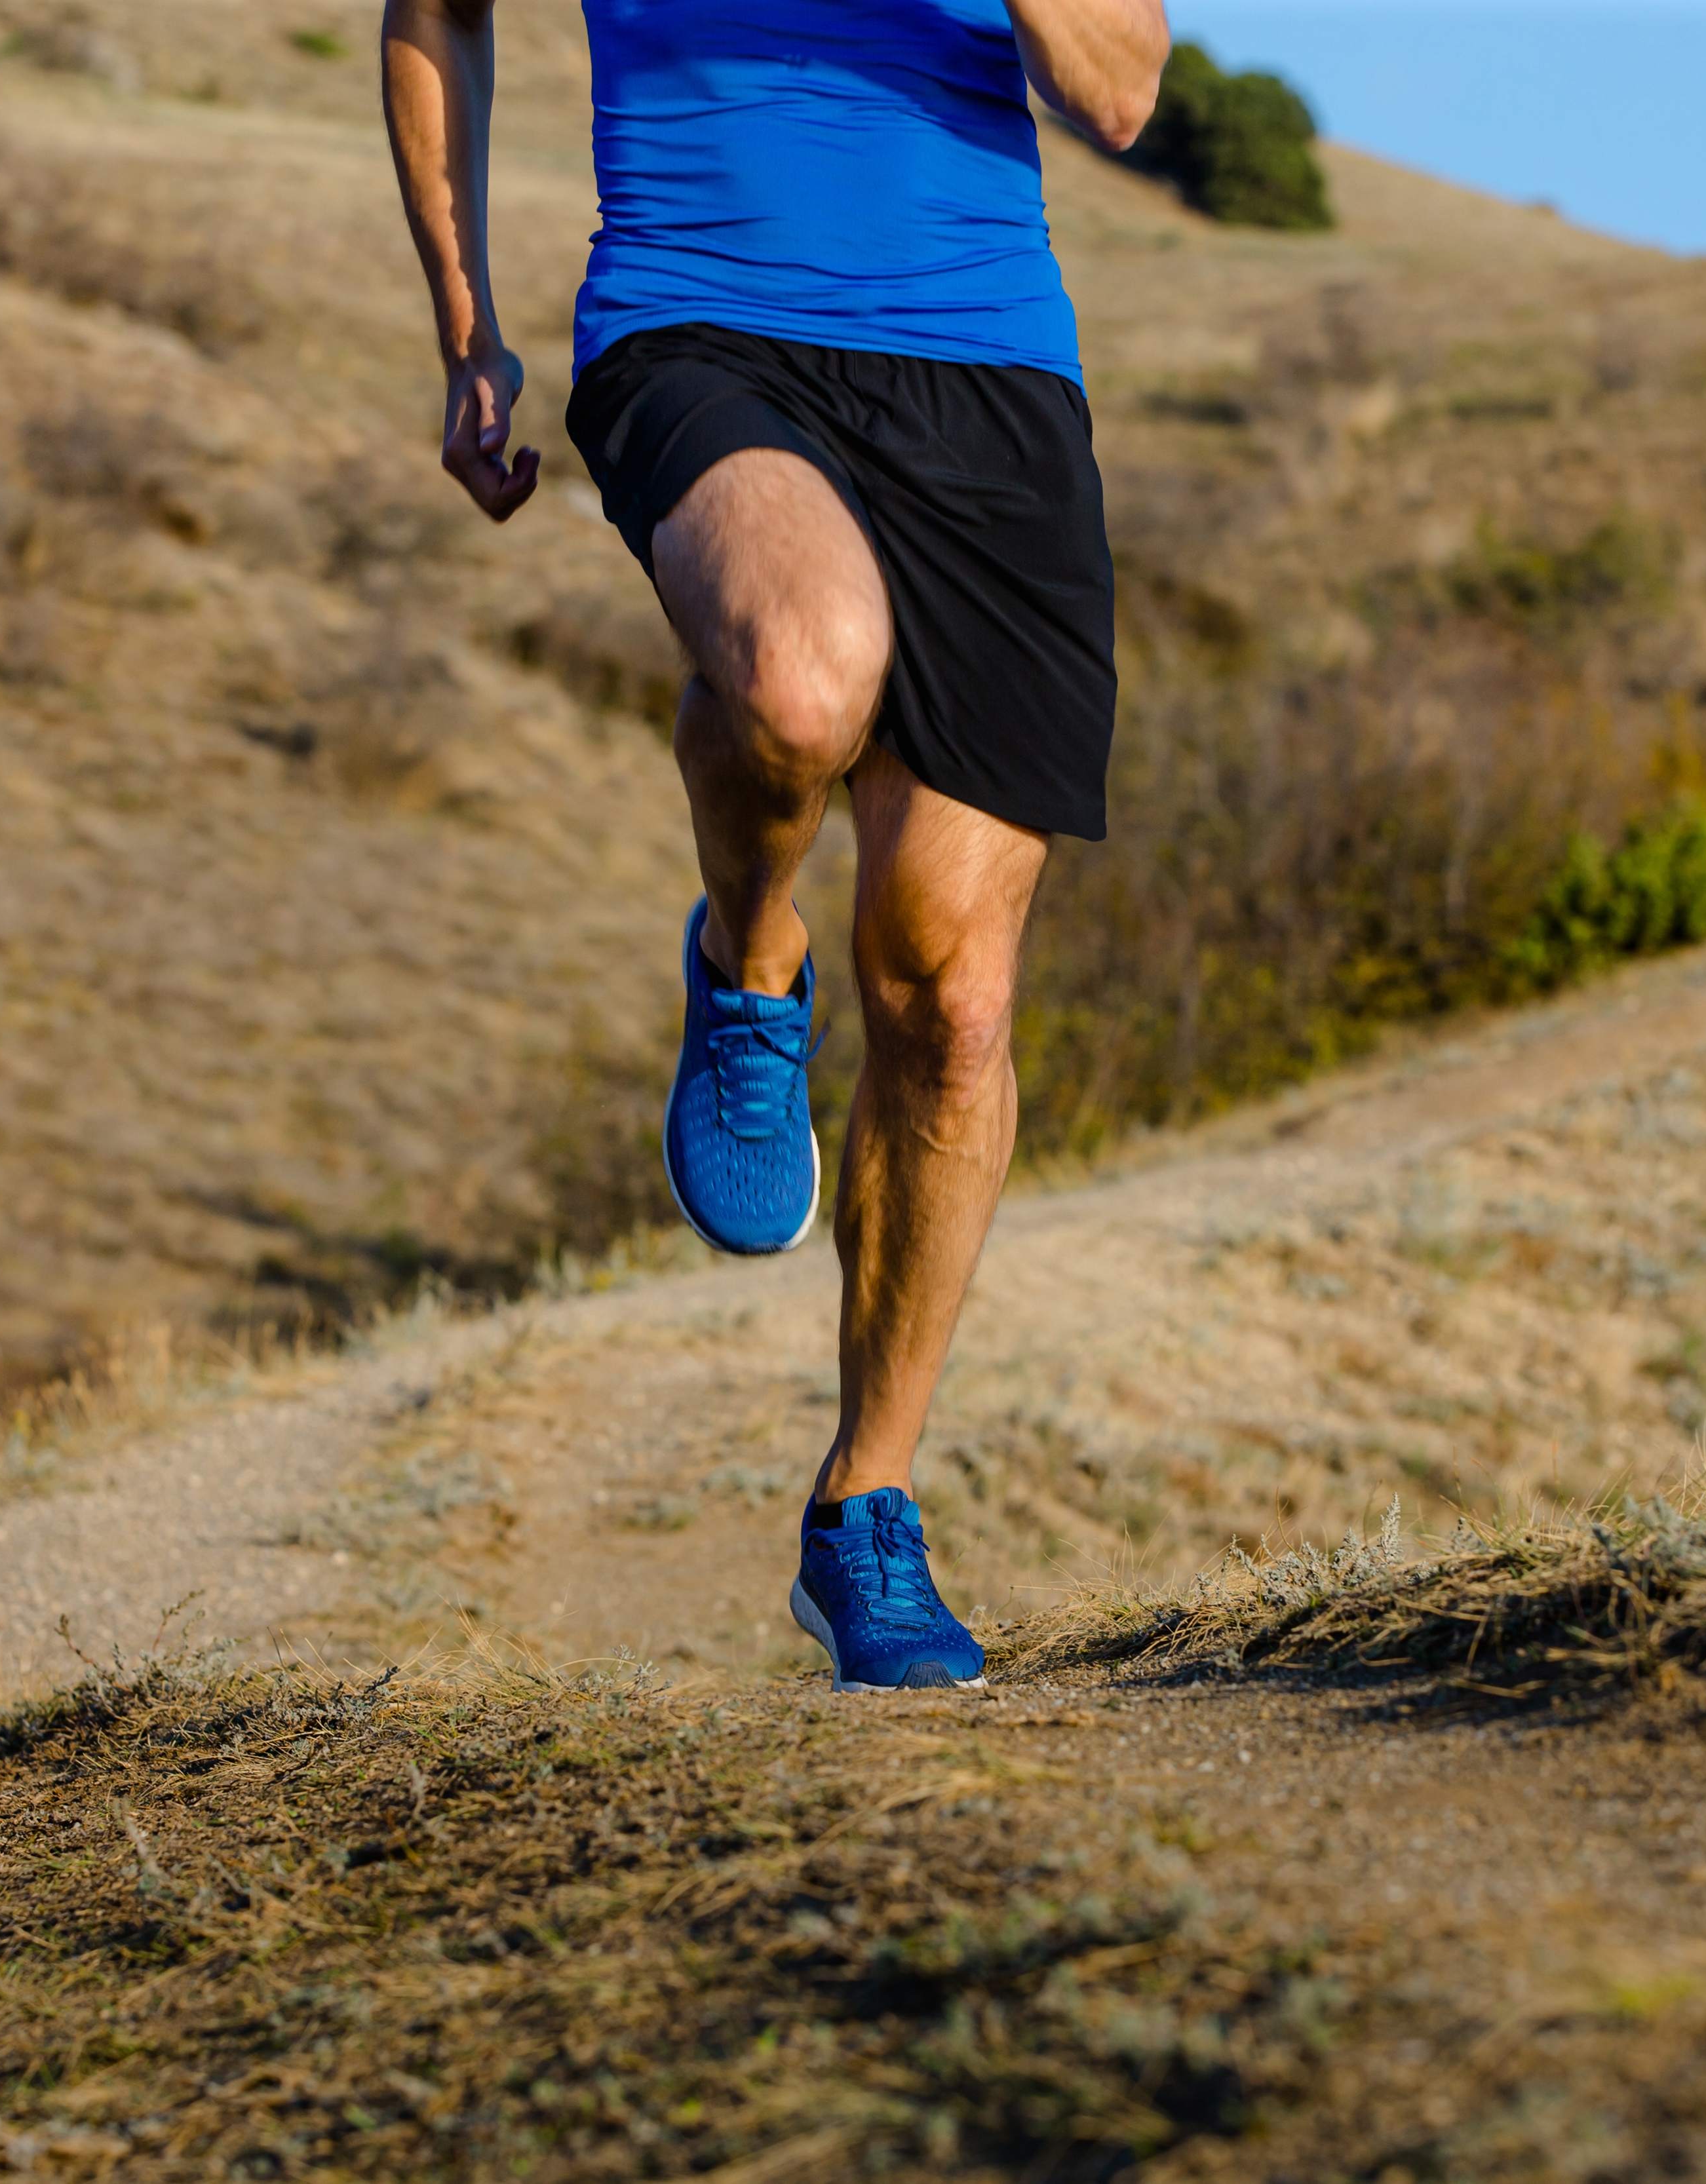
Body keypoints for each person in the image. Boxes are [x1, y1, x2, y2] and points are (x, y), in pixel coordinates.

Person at [381, 0, 1168, 1691]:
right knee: (804, 685)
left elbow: (1118, 87)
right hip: (701, 319)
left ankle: (866, 1504)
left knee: (951, 1001)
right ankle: (750, 956)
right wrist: (470, 325)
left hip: (991, 374)